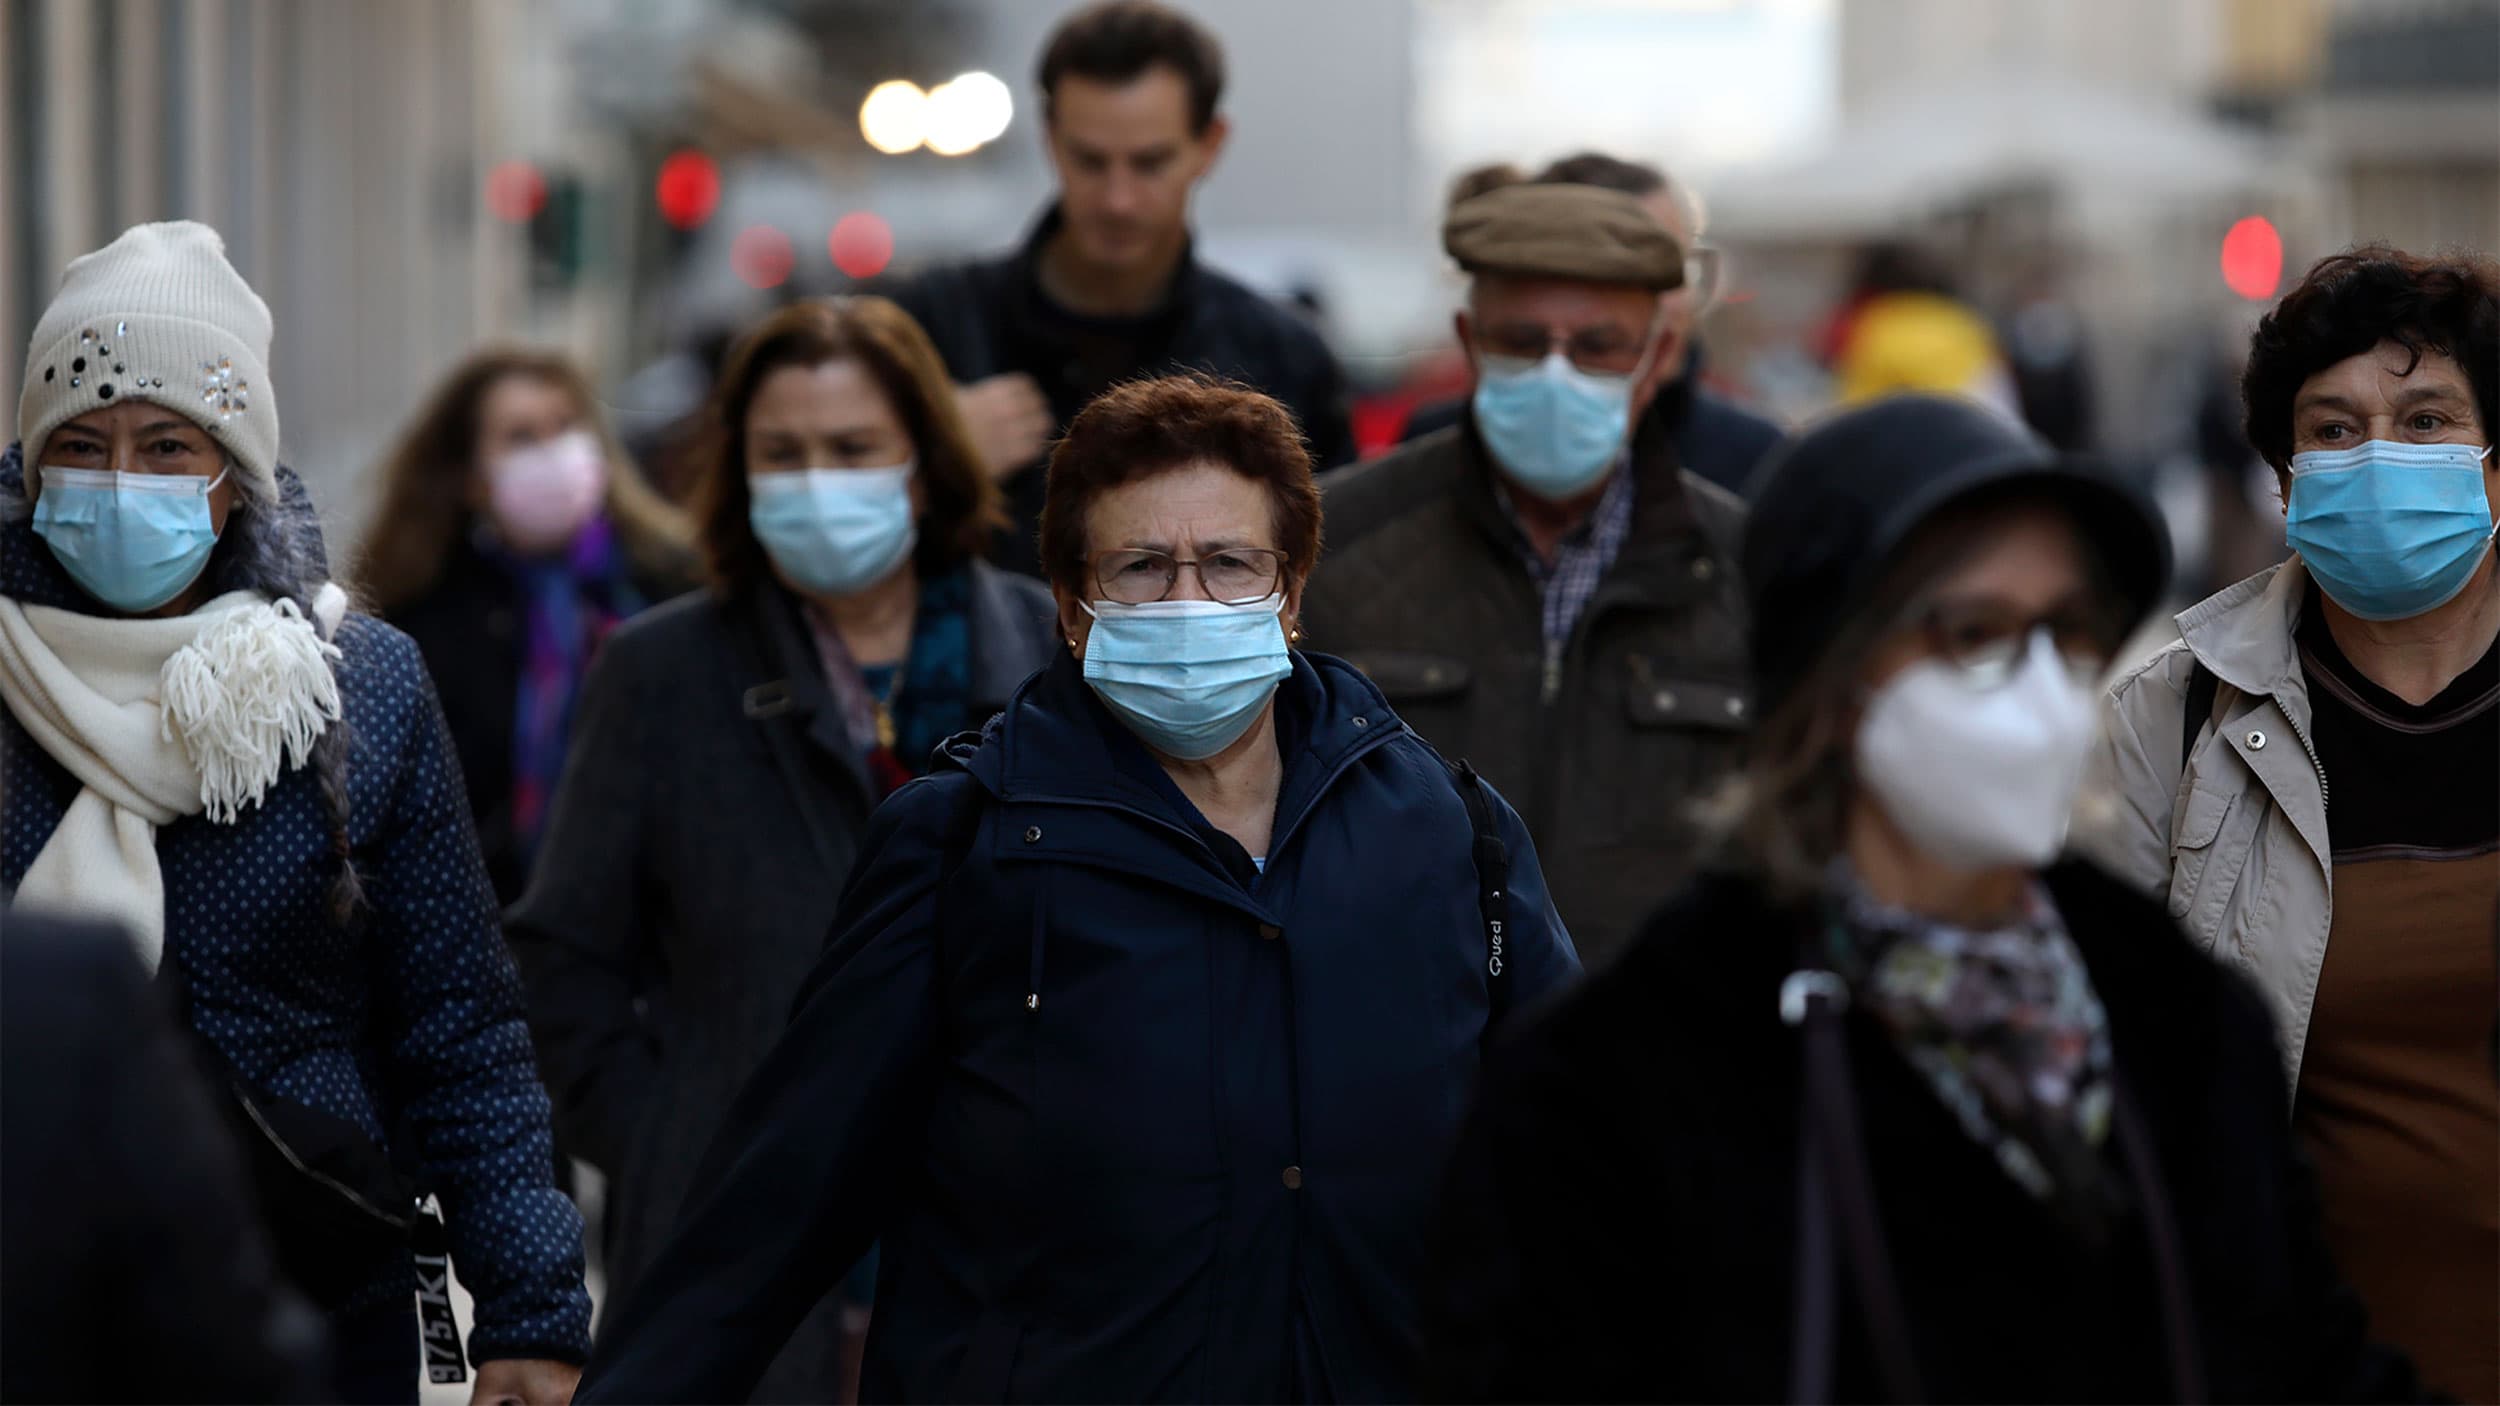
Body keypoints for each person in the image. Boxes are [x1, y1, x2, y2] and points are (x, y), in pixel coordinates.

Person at [572, 374, 1578, 1404]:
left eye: (1229, 563)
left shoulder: (1446, 827)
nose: (1189, 599)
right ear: (1070, 605)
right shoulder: (966, 841)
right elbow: (781, 1194)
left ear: (1291, 591)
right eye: (1141, 567)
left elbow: (1581, 1154)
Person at [1422, 395, 2425, 1402]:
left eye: (2064, 631)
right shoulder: (1624, 1080)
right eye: (1972, 631)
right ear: (1831, 680)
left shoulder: (2177, 1016)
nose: (2037, 686)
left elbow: (2306, 1362)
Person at [0, 221, 589, 1404]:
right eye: (83, 443)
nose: (124, 480)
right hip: (32, 1287)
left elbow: (459, 1023)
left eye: (169, 445)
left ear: (234, 478)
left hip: (320, 1286)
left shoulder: (349, 683)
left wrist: (531, 1307)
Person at [506, 295, 1058, 1402]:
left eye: (853, 448)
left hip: (1004, 1243)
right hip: (746, 1261)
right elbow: (564, 956)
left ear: (922, 459)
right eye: (783, 453)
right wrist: (672, 1142)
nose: (818, 480)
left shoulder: (1047, 651)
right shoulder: (659, 672)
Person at [2073, 245, 2499, 1402]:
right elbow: (2093, 1080)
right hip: (2289, 1364)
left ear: (2493, 466)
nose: (2379, 459)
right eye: (2334, 428)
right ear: (2281, 474)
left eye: (2424, 419)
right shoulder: (2169, 719)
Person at [1304, 181, 1749, 967]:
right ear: (1469, 344)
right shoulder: (1337, 544)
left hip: (1645, 1051)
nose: (1556, 374)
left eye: (1597, 346)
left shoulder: (1743, 569)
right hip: (1412, 1042)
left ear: (1659, 358)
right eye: (1522, 340)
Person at [885, 0, 1354, 575]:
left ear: (1210, 145)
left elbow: (1325, 585)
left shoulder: (1285, 360)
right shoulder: (926, 331)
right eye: (1091, 161)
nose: (1118, 199)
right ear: (1051, 140)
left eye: (1149, 162)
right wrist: (928, 466)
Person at [361, 348, 694, 907]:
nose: (554, 451)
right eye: (521, 436)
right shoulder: (423, 626)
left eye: (565, 426)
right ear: (472, 479)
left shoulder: (669, 588)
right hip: (503, 923)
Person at [2, 908, 329, 1404]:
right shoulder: (67, 985)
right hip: (172, 1298)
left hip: (340, 1233)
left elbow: (456, 1024)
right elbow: (223, 1347)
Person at [1399, 152, 1785, 498]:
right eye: (1622, 274)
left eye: (1675, 265)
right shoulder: (1431, 455)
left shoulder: (1758, 458)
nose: (1666, 301)